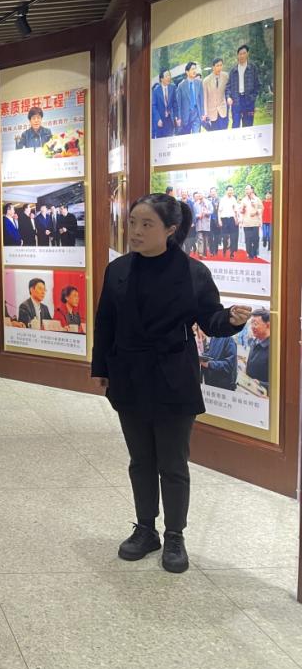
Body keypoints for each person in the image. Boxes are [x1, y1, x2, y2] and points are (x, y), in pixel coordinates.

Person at [91, 193, 251, 574]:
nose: (135, 231)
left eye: (146, 224)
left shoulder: (193, 273)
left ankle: (175, 535)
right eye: (133, 222)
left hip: (173, 376)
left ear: (171, 230)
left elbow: (210, 318)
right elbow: (105, 321)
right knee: (140, 460)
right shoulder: (118, 270)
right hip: (129, 375)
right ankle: (145, 529)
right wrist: (101, 367)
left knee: (173, 462)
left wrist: (230, 319)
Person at [226, 44, 260, 129]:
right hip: (236, 101)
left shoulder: (252, 68)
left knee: (248, 126)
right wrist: (228, 97)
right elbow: (228, 87)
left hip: (248, 101)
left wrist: (253, 98)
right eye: (240, 54)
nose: (242, 56)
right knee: (235, 125)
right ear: (237, 55)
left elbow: (257, 85)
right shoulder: (233, 71)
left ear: (247, 54)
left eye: (244, 53)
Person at [245, 308, 271, 392]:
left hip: (264, 395)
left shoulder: (273, 349)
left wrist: (260, 384)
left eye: (255, 324)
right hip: (250, 390)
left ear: (268, 325)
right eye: (251, 323)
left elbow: (279, 381)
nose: (252, 327)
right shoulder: (255, 341)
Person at [176, 61, 204, 135]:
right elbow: (179, 104)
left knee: (196, 136)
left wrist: (203, 113)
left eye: (195, 69)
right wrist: (179, 117)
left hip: (196, 115)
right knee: (186, 137)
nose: (194, 71)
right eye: (192, 69)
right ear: (187, 72)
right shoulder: (181, 86)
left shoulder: (199, 83)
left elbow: (202, 100)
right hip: (185, 116)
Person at [202, 57, 229, 131]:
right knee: (215, 133)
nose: (219, 67)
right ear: (213, 67)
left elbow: (228, 90)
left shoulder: (226, 76)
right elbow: (205, 99)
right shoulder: (206, 81)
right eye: (217, 66)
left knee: (224, 131)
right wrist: (206, 113)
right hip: (212, 112)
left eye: (221, 65)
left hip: (223, 110)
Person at [151, 70, 177, 139]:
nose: (169, 77)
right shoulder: (156, 91)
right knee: (161, 140)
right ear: (161, 79)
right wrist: (158, 119)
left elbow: (175, 103)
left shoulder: (173, 88)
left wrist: (176, 116)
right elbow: (154, 106)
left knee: (170, 139)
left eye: (169, 75)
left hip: (170, 120)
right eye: (166, 76)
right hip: (161, 120)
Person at [238, 184, 262, 260]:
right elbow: (240, 211)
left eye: (248, 189)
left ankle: (254, 252)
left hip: (255, 223)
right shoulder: (243, 200)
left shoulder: (257, 199)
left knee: (255, 239)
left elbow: (261, 209)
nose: (246, 191)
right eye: (245, 189)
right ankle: (249, 253)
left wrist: (256, 211)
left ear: (252, 190)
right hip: (246, 223)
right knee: (248, 239)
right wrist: (242, 209)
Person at [218, 185, 239, 258]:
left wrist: (236, 219)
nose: (231, 191)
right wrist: (219, 220)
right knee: (224, 238)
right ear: (226, 191)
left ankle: (231, 253)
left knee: (233, 237)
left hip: (232, 219)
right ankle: (224, 249)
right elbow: (219, 211)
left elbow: (236, 210)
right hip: (224, 220)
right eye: (229, 190)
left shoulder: (234, 199)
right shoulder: (222, 199)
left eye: (232, 190)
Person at [192, 191, 212, 257]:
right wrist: (198, 216)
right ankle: (200, 253)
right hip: (199, 223)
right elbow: (194, 214)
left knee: (205, 239)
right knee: (200, 238)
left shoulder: (208, 202)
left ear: (203, 195)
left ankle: (204, 253)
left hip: (206, 223)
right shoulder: (195, 204)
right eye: (199, 195)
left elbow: (211, 211)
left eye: (201, 194)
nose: (200, 196)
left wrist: (206, 212)